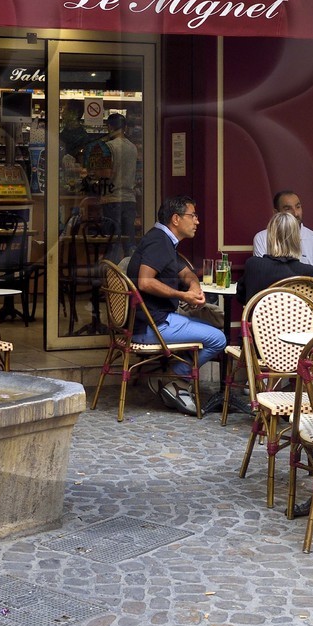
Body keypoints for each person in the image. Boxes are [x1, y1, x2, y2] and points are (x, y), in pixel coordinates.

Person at [126, 195, 227, 414]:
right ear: (176, 219)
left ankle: (170, 381)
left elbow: (186, 272)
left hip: (151, 322)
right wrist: (184, 297)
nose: (197, 221)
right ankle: (175, 380)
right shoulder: (159, 242)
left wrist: (193, 287)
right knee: (218, 339)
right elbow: (145, 281)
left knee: (209, 327)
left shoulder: (163, 240)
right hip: (152, 326)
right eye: (193, 215)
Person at [238, 211, 313, 301]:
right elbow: (311, 305)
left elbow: (241, 297)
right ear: (297, 240)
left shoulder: (253, 265)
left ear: (270, 238)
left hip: (260, 314)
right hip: (294, 315)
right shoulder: (309, 272)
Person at [250, 189, 313, 270]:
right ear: (276, 213)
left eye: (298, 207)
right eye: (288, 209)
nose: (295, 213)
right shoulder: (262, 238)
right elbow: (262, 274)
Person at [97, 112, 139, 253]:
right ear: (125, 127)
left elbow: (106, 173)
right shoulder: (133, 148)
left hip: (112, 199)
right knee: (129, 241)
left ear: (109, 127)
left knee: (113, 242)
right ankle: (130, 271)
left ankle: (112, 273)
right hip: (130, 199)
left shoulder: (108, 147)